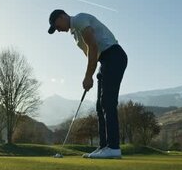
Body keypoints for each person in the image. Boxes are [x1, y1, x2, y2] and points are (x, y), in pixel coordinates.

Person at [48, 9, 128, 159]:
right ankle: (104, 146)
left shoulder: (79, 20)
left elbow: (93, 47)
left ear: (62, 16)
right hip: (104, 61)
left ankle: (114, 148)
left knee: (108, 102)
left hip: (114, 55)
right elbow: (92, 54)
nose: (57, 30)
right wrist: (91, 75)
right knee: (100, 105)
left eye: (56, 25)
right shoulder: (75, 34)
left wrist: (88, 76)